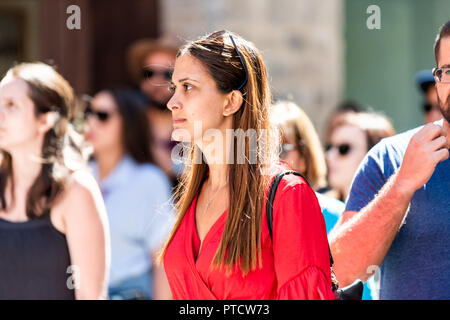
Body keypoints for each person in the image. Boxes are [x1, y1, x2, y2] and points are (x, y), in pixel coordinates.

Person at [159, 30, 334, 300]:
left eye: (188, 87)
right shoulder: (194, 193)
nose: (172, 103)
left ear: (231, 101)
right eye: (174, 88)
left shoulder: (287, 193)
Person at [329, 20, 450, 299]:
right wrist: (402, 185)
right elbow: (340, 271)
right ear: (436, 79)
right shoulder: (391, 158)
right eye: (448, 71)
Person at [0, 62, 109, 299]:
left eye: (11, 105)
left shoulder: (76, 190)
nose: (0, 114)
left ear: (45, 120)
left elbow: (91, 296)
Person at [85, 88, 174, 300]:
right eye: (87, 113)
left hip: (131, 293)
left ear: (128, 123)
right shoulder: (77, 175)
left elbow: (162, 258)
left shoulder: (149, 180)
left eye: (102, 115)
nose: (91, 122)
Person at [270, 100, 344, 233]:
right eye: (263, 150)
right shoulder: (246, 219)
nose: (272, 160)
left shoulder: (337, 218)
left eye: (281, 150)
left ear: (304, 157)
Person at [127, 37, 181, 184]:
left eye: (168, 74)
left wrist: (171, 168)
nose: (157, 81)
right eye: (150, 73)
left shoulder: (195, 125)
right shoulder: (128, 123)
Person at [326, 111, 395, 202]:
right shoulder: (321, 208)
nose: (329, 156)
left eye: (343, 149)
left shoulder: (403, 212)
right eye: (330, 147)